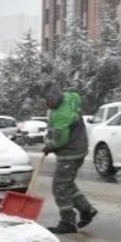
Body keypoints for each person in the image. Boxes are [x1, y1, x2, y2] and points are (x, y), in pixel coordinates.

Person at [40, 82, 98, 234]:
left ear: (54, 99)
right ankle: (86, 209)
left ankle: (67, 221)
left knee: (59, 187)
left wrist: (49, 145)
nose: (47, 104)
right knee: (66, 184)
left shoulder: (62, 114)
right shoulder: (68, 98)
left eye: (48, 101)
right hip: (78, 148)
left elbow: (60, 140)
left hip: (70, 153)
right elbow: (56, 130)